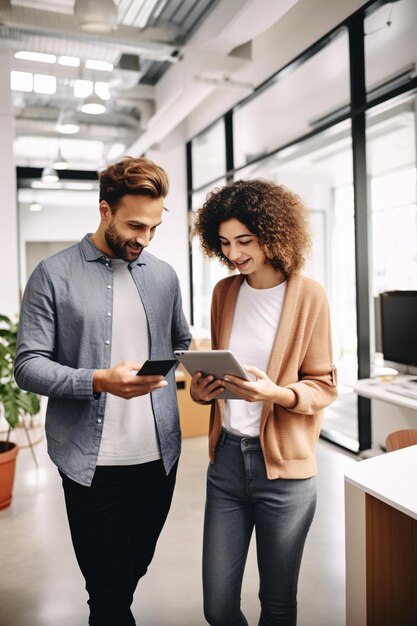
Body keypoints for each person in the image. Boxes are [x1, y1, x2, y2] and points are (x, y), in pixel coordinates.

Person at [14, 156, 191, 626]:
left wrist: (203, 372)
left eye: (153, 228)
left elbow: (181, 342)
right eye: (135, 225)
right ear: (104, 210)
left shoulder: (164, 276)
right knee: (109, 595)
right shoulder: (52, 275)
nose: (144, 239)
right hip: (92, 467)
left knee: (132, 572)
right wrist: (96, 380)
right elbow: (27, 367)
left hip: (159, 461)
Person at [190, 178, 338, 626]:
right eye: (224, 243)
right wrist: (203, 393)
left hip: (286, 474)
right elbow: (223, 375)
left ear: (273, 234)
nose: (234, 253)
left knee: (276, 604)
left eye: (244, 241)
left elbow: (324, 385)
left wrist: (275, 393)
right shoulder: (225, 293)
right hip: (228, 465)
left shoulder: (308, 295)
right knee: (218, 607)